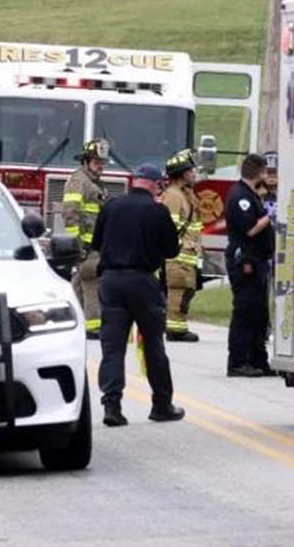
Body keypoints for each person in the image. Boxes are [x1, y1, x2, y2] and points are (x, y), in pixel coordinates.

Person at [90, 164, 186, 426]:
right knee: (153, 345)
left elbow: (97, 243)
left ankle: (112, 406)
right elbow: (171, 251)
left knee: (112, 348)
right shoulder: (157, 211)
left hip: (110, 281)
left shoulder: (111, 207)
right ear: (156, 185)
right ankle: (161, 404)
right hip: (142, 282)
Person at [224, 153, 275, 377]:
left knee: (259, 314)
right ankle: (238, 361)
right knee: (245, 312)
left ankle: (258, 359)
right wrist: (270, 216)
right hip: (246, 260)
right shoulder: (240, 197)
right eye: (264, 171)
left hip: (259, 261)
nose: (267, 175)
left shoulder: (252, 195)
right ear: (257, 172)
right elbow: (250, 229)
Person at [63, 139, 110, 338]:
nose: (100, 166)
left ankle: (67, 319)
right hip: (86, 245)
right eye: (96, 161)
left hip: (94, 244)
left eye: (102, 162)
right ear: (85, 162)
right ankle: (93, 325)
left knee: (78, 281)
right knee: (91, 278)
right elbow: (71, 214)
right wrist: (77, 246)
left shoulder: (94, 182)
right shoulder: (78, 181)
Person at [160, 149, 203, 343]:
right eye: (190, 171)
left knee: (186, 290)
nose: (193, 174)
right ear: (181, 174)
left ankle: (178, 325)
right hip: (177, 256)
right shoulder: (174, 196)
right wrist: (175, 249)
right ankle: (175, 329)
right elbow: (169, 227)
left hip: (187, 254)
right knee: (178, 290)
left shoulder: (185, 194)